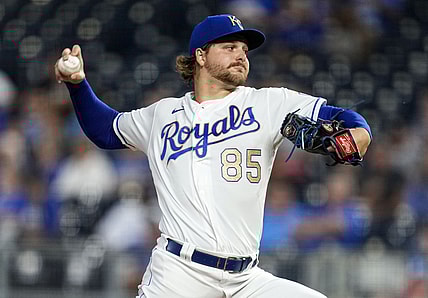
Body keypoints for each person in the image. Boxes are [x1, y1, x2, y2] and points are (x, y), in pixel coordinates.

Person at [55, 14, 371, 298]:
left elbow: (346, 119)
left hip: (246, 279)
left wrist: (358, 134)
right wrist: (78, 85)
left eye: (244, 50)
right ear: (201, 56)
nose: (241, 55)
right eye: (230, 47)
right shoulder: (163, 114)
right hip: (179, 274)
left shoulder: (271, 103)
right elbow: (107, 130)